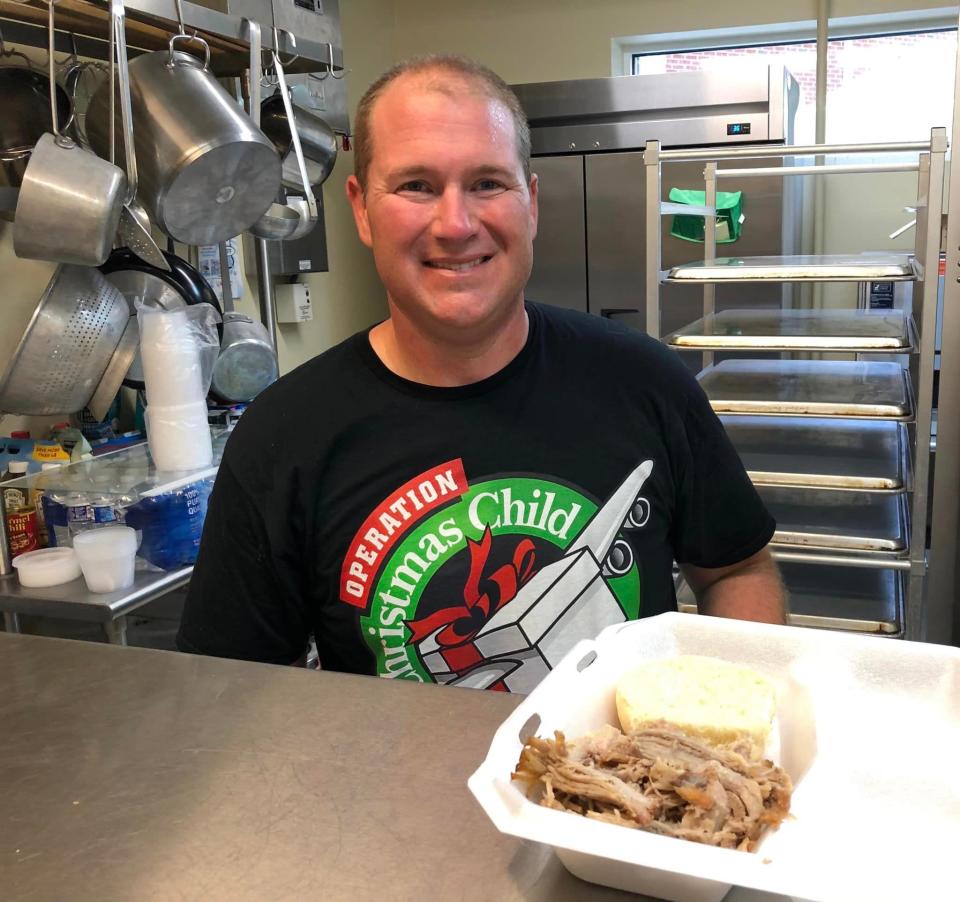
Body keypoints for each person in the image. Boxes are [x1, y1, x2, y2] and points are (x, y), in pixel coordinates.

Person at [177, 54, 786, 692]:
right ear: (361, 209)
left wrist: (724, 726)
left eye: (488, 183)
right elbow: (230, 694)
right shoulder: (285, 437)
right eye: (416, 185)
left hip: (632, 782)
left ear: (531, 202)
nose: (456, 224)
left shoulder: (646, 382)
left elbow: (738, 571)